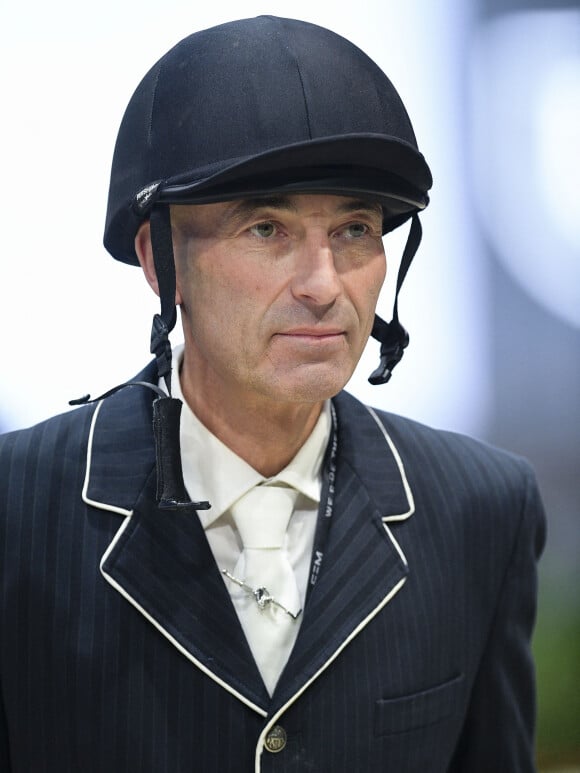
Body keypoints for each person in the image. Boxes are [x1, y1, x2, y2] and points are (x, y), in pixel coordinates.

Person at [0, 15, 546, 773]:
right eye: (266, 230)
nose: (325, 286)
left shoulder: (482, 508)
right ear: (161, 262)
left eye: (355, 229)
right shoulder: (16, 505)